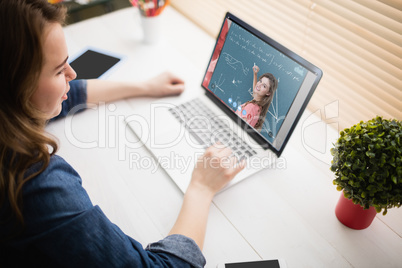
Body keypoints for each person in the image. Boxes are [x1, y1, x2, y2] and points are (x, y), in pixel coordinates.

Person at [0, 0, 245, 267]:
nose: (72, 73)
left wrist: (144, 86)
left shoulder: (8, 112)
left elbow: (70, 96)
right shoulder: (36, 184)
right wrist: (201, 188)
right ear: (17, 84)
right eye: (59, 70)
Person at [235, 65, 278, 131]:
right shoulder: (258, 108)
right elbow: (256, 88)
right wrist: (255, 74)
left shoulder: (251, 107)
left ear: (268, 93)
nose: (259, 85)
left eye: (264, 86)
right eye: (260, 81)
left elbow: (238, 130)